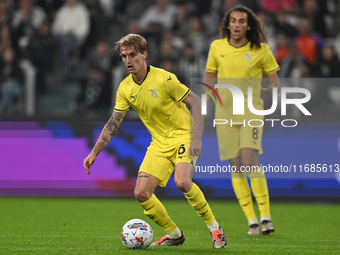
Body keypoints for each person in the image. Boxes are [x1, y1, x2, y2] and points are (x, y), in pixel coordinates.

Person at [83, 34, 227, 248]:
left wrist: (197, 138)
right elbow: (113, 123)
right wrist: (94, 153)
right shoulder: (125, 88)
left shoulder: (164, 79)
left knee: (182, 182)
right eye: (124, 56)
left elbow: (196, 103)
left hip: (183, 135)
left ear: (144, 54)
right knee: (141, 193)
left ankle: (215, 229)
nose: (128, 60)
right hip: (159, 143)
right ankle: (174, 234)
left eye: (132, 55)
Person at [203, 6, 281, 235]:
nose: (237, 25)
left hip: (251, 113)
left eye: (241, 21)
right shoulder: (217, 47)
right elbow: (209, 80)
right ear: (227, 25)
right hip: (225, 115)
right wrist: (202, 109)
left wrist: (272, 89)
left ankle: (265, 216)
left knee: (249, 161)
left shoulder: (261, 50)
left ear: (248, 25)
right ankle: (252, 221)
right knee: (235, 167)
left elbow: (275, 82)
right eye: (233, 21)